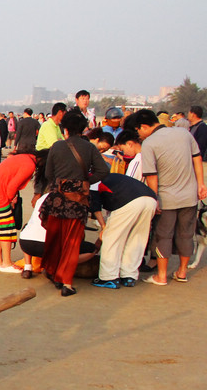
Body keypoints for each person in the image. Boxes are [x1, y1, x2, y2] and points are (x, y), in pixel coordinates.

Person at [131, 109, 207, 285]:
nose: (139, 135)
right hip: (190, 195)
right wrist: (201, 183)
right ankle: (182, 272)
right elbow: (197, 158)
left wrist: (154, 197)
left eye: (138, 131)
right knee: (186, 234)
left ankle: (162, 275)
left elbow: (151, 175)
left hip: (166, 198)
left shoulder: (150, 143)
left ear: (144, 126)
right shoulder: (183, 133)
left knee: (163, 235)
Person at [40, 110, 111, 296]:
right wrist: (85, 181)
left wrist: (60, 184)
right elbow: (103, 170)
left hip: (57, 199)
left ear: (65, 129)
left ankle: (54, 273)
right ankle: (67, 283)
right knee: (72, 242)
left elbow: (49, 174)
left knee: (54, 238)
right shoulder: (89, 148)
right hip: (77, 201)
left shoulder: (57, 147)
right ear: (83, 129)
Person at [89, 173, 158, 288]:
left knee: (112, 238)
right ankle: (129, 276)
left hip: (129, 201)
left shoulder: (93, 182)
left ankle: (108, 277)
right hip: (150, 199)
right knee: (137, 238)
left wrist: (103, 226)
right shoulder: (112, 177)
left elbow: (95, 207)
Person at [0, 150, 38, 272]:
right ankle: (7, 263)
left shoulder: (22, 157)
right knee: (6, 228)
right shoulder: (30, 164)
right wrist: (11, 200)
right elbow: (12, 186)